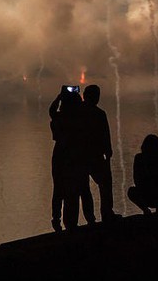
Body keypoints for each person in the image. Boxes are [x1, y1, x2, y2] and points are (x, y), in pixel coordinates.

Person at [49, 86, 92, 231]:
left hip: (60, 156)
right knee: (78, 190)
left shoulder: (59, 118)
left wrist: (59, 96)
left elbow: (51, 111)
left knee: (59, 189)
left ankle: (57, 220)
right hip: (77, 155)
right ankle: (80, 221)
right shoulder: (81, 119)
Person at [79, 84, 120, 222]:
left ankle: (91, 218)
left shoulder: (78, 111)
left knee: (85, 189)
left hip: (82, 156)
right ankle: (106, 213)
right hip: (94, 156)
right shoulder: (99, 114)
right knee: (105, 185)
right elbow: (105, 135)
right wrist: (108, 152)